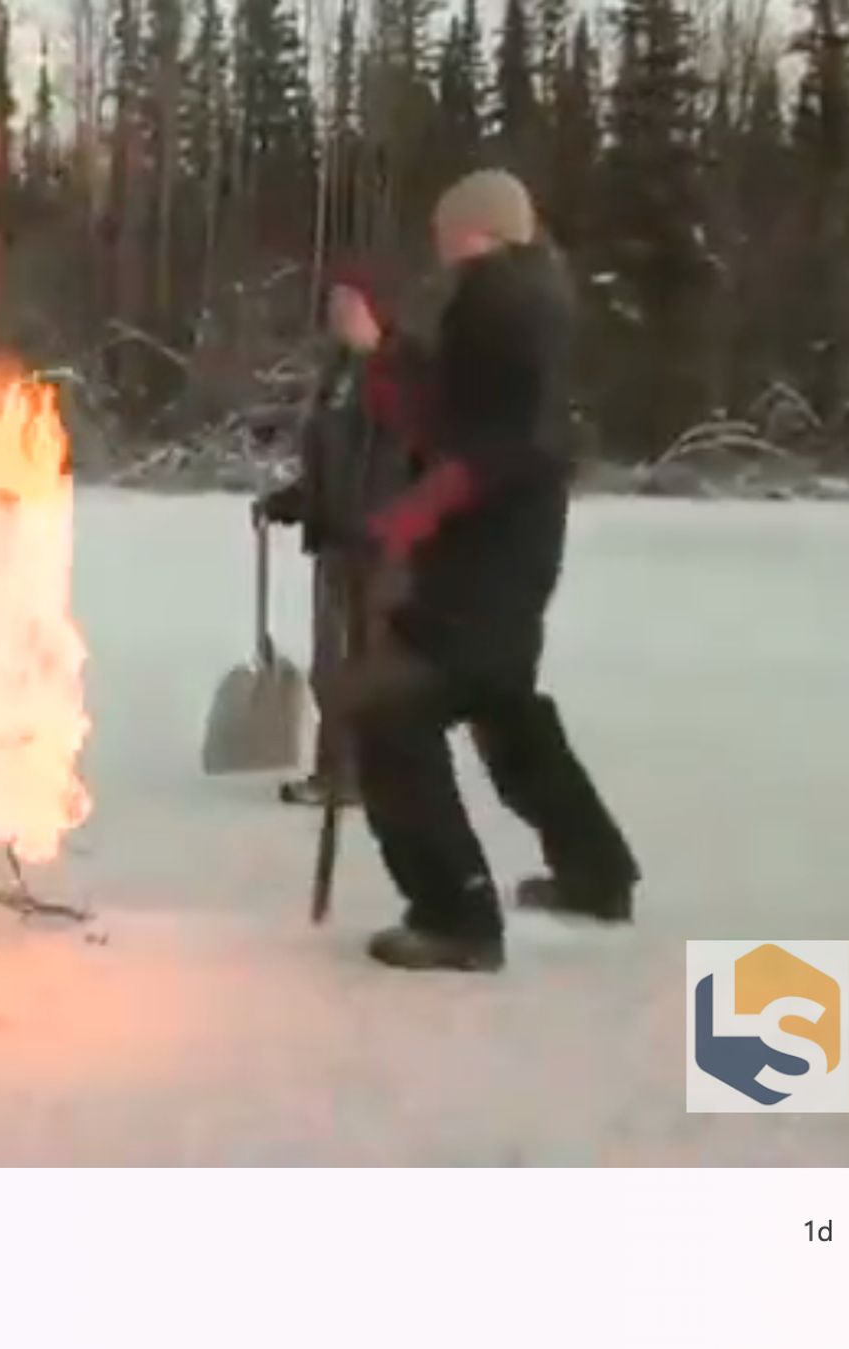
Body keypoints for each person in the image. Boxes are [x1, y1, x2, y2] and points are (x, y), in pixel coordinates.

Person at [344, 169, 640, 973]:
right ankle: (596, 870)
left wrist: (418, 508)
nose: (440, 241)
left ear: (480, 229)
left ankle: (453, 915)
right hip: (509, 548)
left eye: (450, 227)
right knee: (500, 703)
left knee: (391, 716)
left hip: (484, 552)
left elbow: (492, 439)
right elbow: (449, 409)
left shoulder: (501, 301)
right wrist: (386, 353)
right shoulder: (521, 297)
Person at [256, 266, 416, 807]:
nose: (338, 313)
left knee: (372, 666)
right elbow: (332, 464)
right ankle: (338, 772)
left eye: (350, 303)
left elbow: (417, 464)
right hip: (335, 541)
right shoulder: (338, 376)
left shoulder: (403, 377)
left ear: (377, 309)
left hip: (383, 547)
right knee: (333, 667)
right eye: (334, 303)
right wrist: (294, 501)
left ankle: (377, 775)